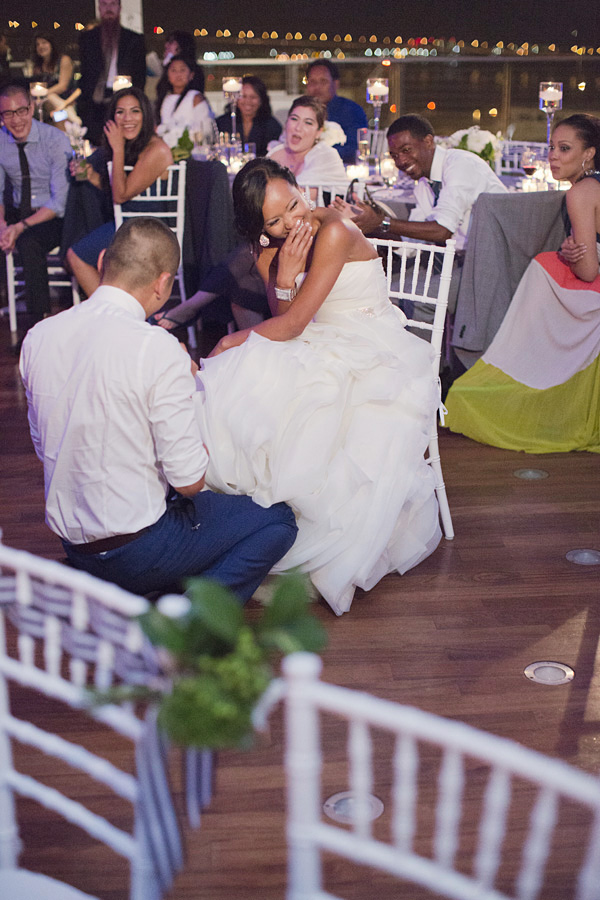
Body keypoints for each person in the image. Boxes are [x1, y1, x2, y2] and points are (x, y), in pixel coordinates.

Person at [192, 158, 442, 615]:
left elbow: (290, 325)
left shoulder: (334, 231)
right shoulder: (272, 246)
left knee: (287, 386)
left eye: (292, 203)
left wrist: (228, 339)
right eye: (275, 220)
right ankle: (236, 523)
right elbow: (283, 316)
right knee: (252, 383)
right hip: (314, 336)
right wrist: (284, 276)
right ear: (261, 227)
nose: (292, 221)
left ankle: (291, 527)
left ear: (297, 185)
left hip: (369, 343)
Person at [20, 217, 298, 599]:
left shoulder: (39, 337)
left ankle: (134, 590)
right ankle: (191, 626)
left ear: (102, 261)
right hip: (135, 551)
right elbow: (189, 482)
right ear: (163, 283)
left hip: (75, 548)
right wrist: (189, 387)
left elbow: (44, 446)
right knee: (278, 521)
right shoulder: (156, 348)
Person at [445, 114, 600, 454]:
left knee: (541, 269)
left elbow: (589, 273)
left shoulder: (581, 194)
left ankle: (523, 377)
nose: (553, 156)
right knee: (546, 265)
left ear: (588, 154)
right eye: (551, 148)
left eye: (564, 148)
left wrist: (573, 256)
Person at [66, 86, 172, 297]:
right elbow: (122, 189)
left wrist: (118, 149)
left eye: (135, 111)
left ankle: (114, 315)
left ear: (145, 114)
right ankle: (116, 315)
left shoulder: (157, 149)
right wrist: (92, 176)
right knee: (89, 254)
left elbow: (120, 195)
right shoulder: (136, 146)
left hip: (147, 229)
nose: (127, 118)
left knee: (76, 256)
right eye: (120, 112)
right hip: (128, 223)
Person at [0, 81, 71, 327]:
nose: (15, 119)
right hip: (19, 213)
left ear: (31, 109)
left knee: (29, 242)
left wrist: (19, 227)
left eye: (20, 111)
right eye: (8, 113)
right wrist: (2, 226)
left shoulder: (55, 139)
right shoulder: (1, 141)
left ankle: (37, 325)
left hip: (53, 217)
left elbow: (59, 202)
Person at [77, 0, 146, 147]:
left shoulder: (134, 39)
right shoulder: (87, 39)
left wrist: (133, 98)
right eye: (105, 4)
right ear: (99, 8)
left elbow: (140, 75)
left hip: (124, 97)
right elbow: (86, 73)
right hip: (95, 103)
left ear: (119, 8)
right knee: (96, 146)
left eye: (113, 4)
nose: (109, 9)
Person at [267, 96, 346, 184]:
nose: (298, 128)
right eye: (294, 119)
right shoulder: (274, 155)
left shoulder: (326, 156)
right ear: (286, 123)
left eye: (308, 123)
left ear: (319, 132)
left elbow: (305, 196)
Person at [305, 59, 367, 164]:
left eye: (323, 81)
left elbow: (355, 148)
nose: (317, 87)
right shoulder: (302, 111)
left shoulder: (351, 110)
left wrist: (317, 154)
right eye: (312, 82)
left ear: (336, 84)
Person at [216, 75, 281, 157]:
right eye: (244, 96)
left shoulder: (272, 126)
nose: (248, 101)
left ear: (261, 100)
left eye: (253, 97)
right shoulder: (223, 122)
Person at [156, 54, 214, 139]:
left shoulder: (195, 97)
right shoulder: (166, 98)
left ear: (191, 75)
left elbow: (205, 130)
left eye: (182, 70)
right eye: (173, 70)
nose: (178, 74)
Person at [29, 32, 75, 104]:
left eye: (44, 43)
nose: (40, 46)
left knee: (51, 97)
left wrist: (42, 94)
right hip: (44, 101)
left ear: (52, 45)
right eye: (37, 44)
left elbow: (62, 87)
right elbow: (35, 86)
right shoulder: (38, 66)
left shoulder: (64, 60)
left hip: (65, 100)